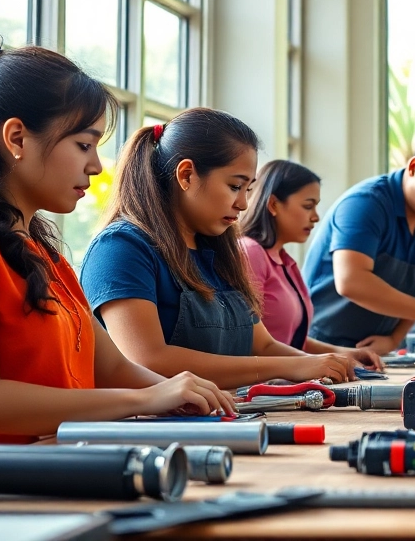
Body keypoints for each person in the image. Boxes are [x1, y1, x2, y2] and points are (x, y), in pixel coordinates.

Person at [0, 32, 234, 479]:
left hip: (32, 472)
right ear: (17, 138)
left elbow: (113, 367)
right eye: (84, 144)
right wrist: (147, 400)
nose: (97, 166)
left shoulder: (42, 254)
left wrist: (186, 395)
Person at [79, 109, 357, 388]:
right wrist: (295, 365)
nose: (243, 204)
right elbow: (147, 359)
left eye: (247, 189)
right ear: (186, 175)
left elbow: (263, 346)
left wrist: (323, 366)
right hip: (154, 428)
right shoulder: (121, 248)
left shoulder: (219, 252)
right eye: (235, 186)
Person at [305, 129, 415, 353]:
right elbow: (352, 281)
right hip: (317, 346)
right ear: (413, 167)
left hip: (375, 353)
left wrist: (394, 339)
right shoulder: (365, 204)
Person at [238, 160, 381, 367]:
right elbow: (254, 342)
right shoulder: (250, 253)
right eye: (308, 206)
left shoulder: (286, 262)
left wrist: (347, 354)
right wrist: (321, 362)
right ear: (273, 205)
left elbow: (291, 339)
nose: (315, 217)